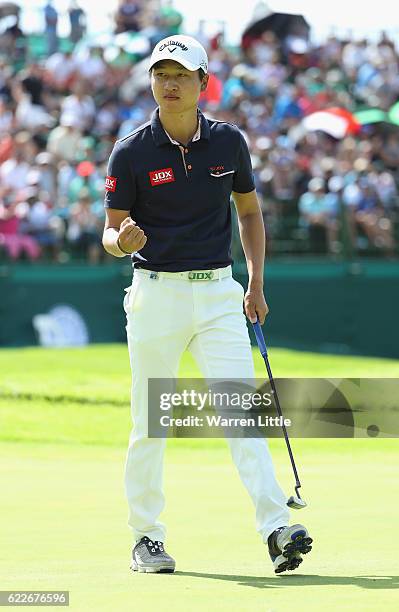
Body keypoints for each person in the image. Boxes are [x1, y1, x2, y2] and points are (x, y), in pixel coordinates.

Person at [102, 35, 312, 575]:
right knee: (152, 422)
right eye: (160, 74)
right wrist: (120, 240)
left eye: (180, 74)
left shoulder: (228, 142)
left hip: (219, 292)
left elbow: (248, 211)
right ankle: (146, 537)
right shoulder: (131, 150)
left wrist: (256, 282)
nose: (169, 83)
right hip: (156, 295)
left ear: (203, 83)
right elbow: (109, 231)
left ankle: (275, 528)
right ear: (151, 81)